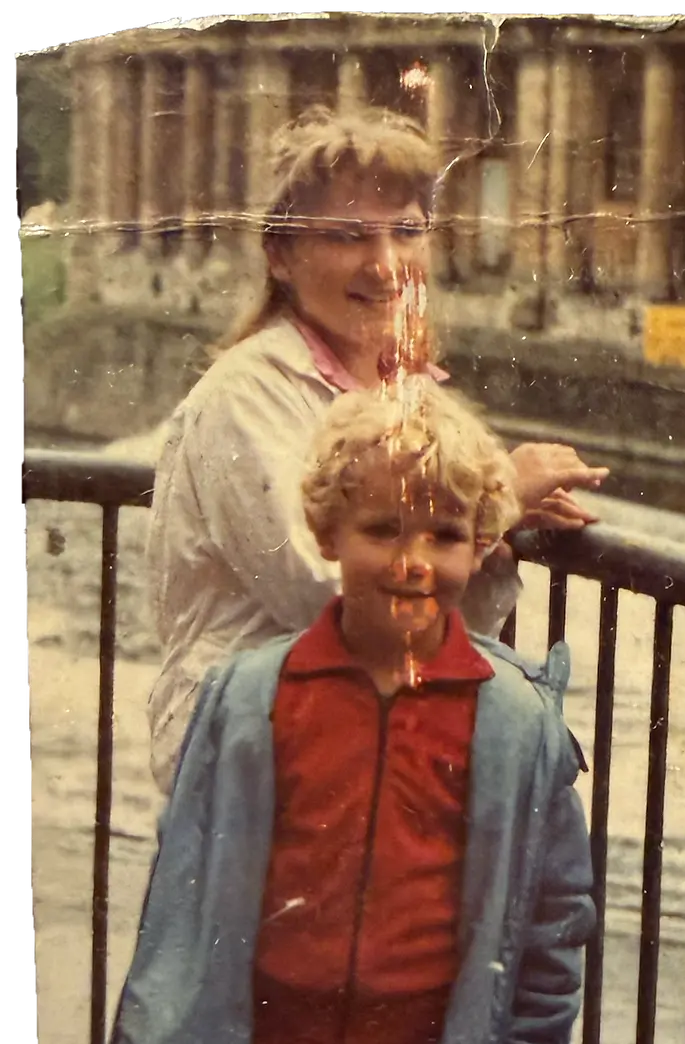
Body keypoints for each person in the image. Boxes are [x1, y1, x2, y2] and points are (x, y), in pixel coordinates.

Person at [97, 377, 596, 1044]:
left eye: (444, 536)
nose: (412, 561)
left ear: (482, 547)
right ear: (327, 533)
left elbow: (553, 917)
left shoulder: (514, 721)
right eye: (381, 530)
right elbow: (188, 885)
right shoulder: (252, 695)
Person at [146, 106, 609, 795]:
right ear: (281, 255)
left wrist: (486, 529)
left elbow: (444, 622)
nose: (387, 264)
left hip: (366, 740)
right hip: (251, 761)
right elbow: (324, 594)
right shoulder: (244, 397)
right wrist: (498, 500)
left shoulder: (412, 394)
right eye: (348, 236)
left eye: (407, 232)